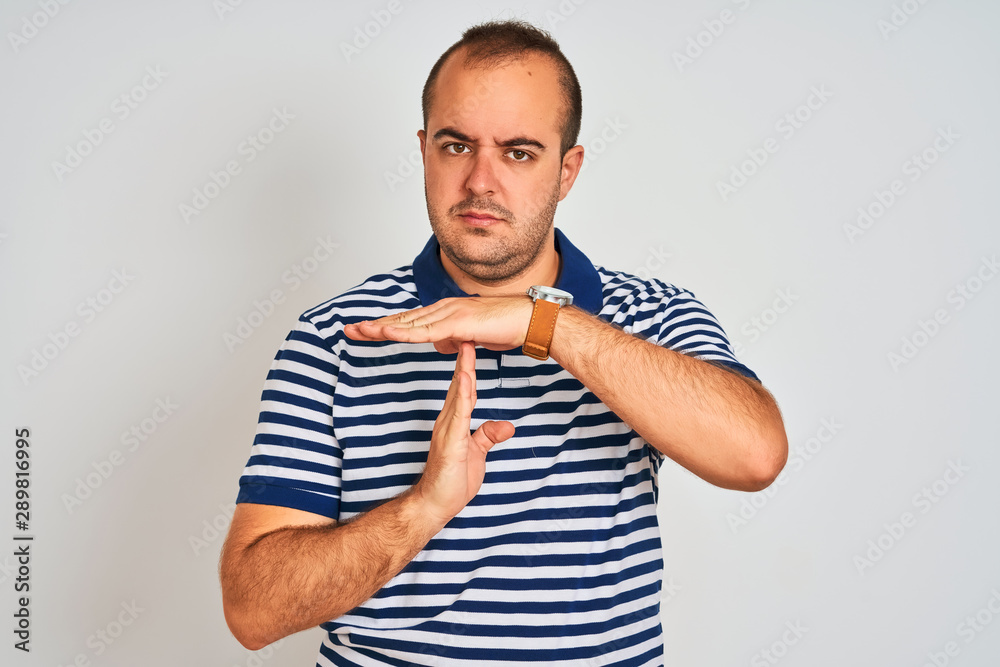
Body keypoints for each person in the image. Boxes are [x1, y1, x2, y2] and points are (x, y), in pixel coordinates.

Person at [220, 19, 787, 666]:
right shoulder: (336, 336)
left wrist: (542, 324)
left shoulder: (650, 316)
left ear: (567, 170)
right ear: (425, 151)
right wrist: (422, 508)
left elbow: (756, 454)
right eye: (456, 146)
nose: (480, 181)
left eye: (519, 152)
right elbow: (254, 612)